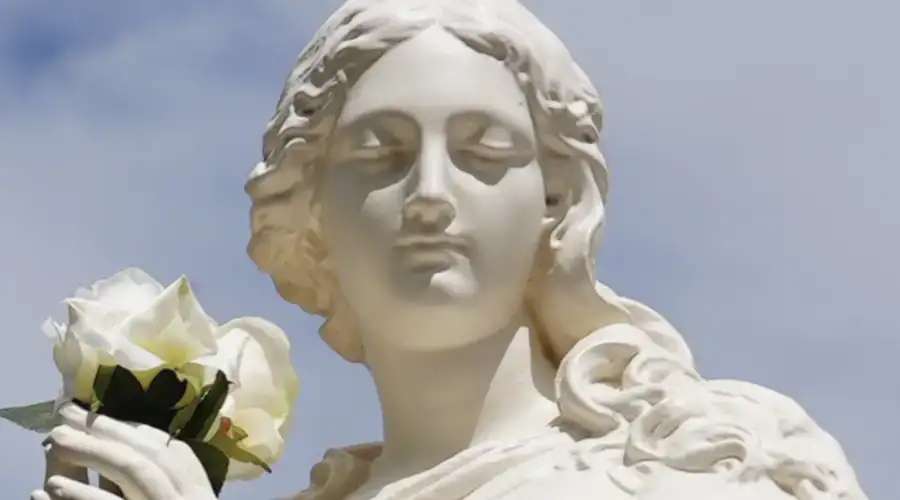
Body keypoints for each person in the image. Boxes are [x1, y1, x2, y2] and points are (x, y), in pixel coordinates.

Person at [33, 1, 867, 499]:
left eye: (484, 150)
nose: (431, 191)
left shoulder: (700, 466)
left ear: (553, 201)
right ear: (312, 212)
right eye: (380, 154)